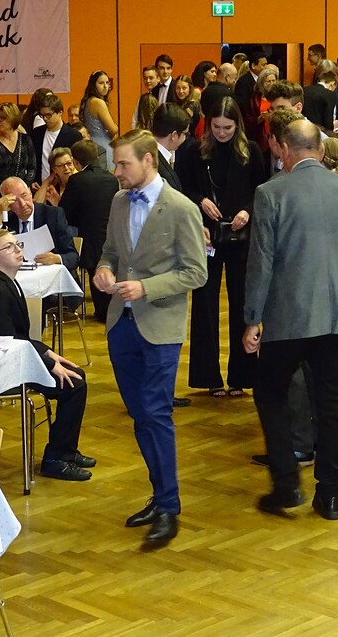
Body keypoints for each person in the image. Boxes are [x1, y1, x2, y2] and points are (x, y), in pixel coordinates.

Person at [243, 119, 338, 521]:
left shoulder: (270, 193)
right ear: (321, 151)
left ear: (284, 149)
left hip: (288, 317)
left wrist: (252, 319)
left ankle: (287, 483)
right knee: (333, 406)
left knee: (270, 393)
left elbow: (261, 264)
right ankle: (331, 496)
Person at [93, 130, 207, 547]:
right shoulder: (118, 201)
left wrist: (147, 287)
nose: (116, 171)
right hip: (120, 324)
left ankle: (169, 507)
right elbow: (110, 250)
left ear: (148, 161)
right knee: (141, 414)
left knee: (156, 413)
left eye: (123, 163)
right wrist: (103, 270)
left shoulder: (181, 208)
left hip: (160, 325)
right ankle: (160, 497)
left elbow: (196, 272)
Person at [0, 229, 95, 481]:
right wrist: (47, 362)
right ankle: (55, 459)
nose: (18, 249)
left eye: (17, 244)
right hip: (3, 366)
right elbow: (7, 342)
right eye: (8, 247)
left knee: (76, 376)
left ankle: (66, 451)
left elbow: (19, 338)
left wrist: (47, 353)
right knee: (73, 384)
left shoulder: (8, 282)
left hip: (17, 356)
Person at [182, 97, 265, 398]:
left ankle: (242, 375)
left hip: (241, 236)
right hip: (207, 236)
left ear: (237, 125)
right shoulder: (195, 151)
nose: (221, 133)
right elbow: (184, 189)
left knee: (242, 303)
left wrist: (247, 211)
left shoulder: (251, 150)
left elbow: (261, 190)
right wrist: (200, 201)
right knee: (204, 306)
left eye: (227, 127)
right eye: (216, 127)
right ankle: (208, 377)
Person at [58, 140, 119, 323]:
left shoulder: (77, 180)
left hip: (88, 236)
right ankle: (111, 311)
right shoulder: (111, 179)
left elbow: (66, 212)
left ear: (76, 162)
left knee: (95, 272)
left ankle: (102, 312)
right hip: (110, 232)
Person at [0, 177, 79, 272]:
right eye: (15, 201)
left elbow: (73, 257)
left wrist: (56, 258)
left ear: (30, 192)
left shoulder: (53, 215)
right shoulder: (7, 220)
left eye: (24, 196)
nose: (23, 204)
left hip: (51, 274)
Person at [0, 101, 36, 196]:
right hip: (0, 193)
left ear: (12, 118)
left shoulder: (25, 139)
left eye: (2, 118)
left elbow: (32, 168)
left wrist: (25, 187)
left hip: (22, 192)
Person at [30, 93, 83, 185]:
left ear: (60, 112)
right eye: (42, 115)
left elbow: (78, 164)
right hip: (40, 185)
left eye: (48, 115)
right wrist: (33, 180)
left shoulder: (73, 135)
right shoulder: (36, 133)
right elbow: (33, 161)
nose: (45, 119)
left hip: (64, 185)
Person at [80, 70, 120, 169]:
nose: (105, 86)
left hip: (91, 144)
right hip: (103, 144)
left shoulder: (88, 101)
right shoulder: (98, 102)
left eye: (107, 83)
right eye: (101, 83)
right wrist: (116, 126)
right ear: (93, 85)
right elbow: (113, 129)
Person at [151, 102, 190, 191]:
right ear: (174, 135)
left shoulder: (144, 151)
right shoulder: (163, 175)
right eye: (185, 134)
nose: (185, 138)